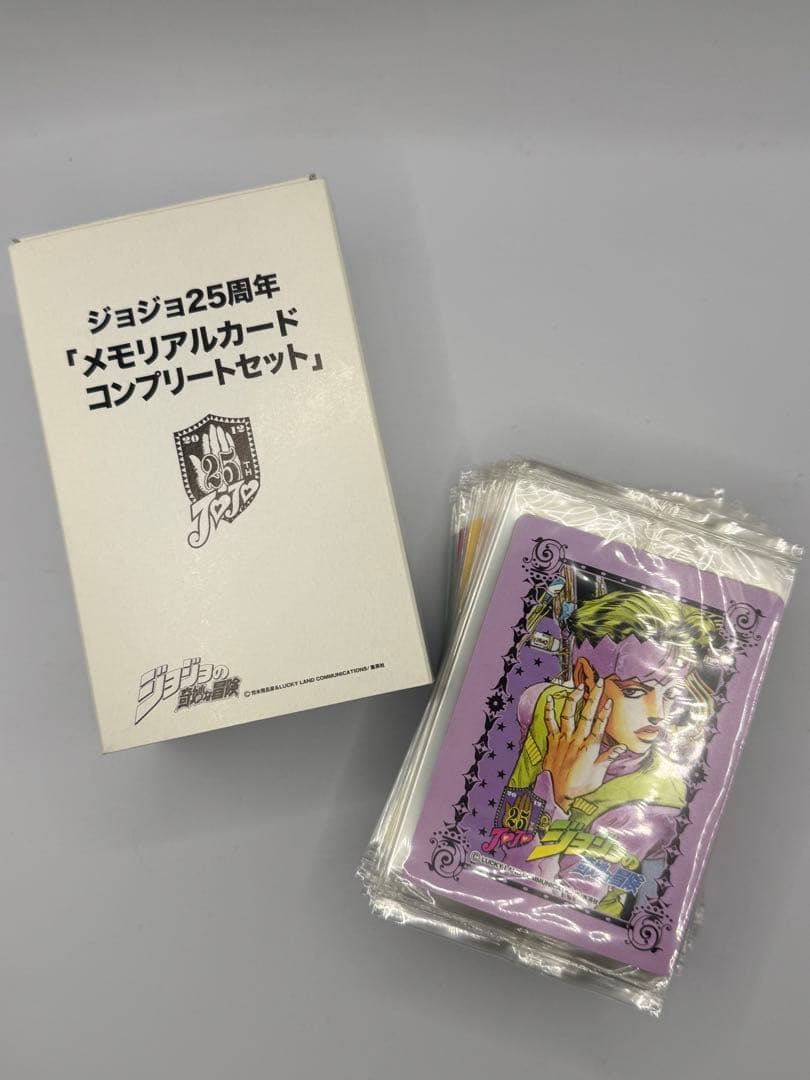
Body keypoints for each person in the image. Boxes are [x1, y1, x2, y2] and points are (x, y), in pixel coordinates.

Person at [504, 589, 723, 919]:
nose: (658, 714)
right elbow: (506, 821)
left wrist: (559, 799)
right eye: (635, 691)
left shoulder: (653, 805)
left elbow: (545, 904)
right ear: (584, 678)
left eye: (671, 693)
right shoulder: (540, 704)